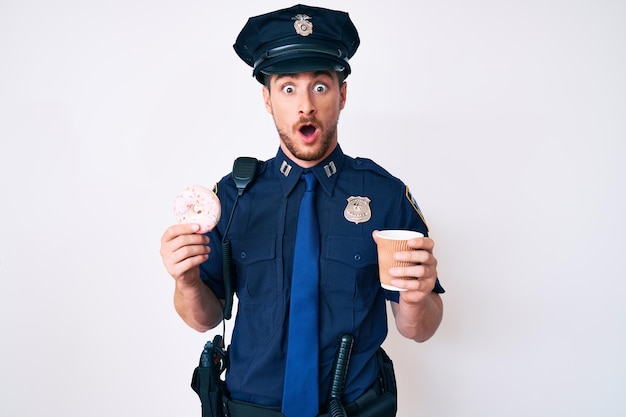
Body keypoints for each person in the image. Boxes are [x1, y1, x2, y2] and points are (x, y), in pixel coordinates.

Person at [160, 4, 444, 417]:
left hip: (353, 408)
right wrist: (186, 281)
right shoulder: (232, 197)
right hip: (249, 408)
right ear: (267, 99)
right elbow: (203, 319)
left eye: (321, 87)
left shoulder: (384, 195)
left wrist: (418, 299)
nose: (305, 105)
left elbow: (417, 329)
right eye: (288, 88)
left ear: (342, 95)